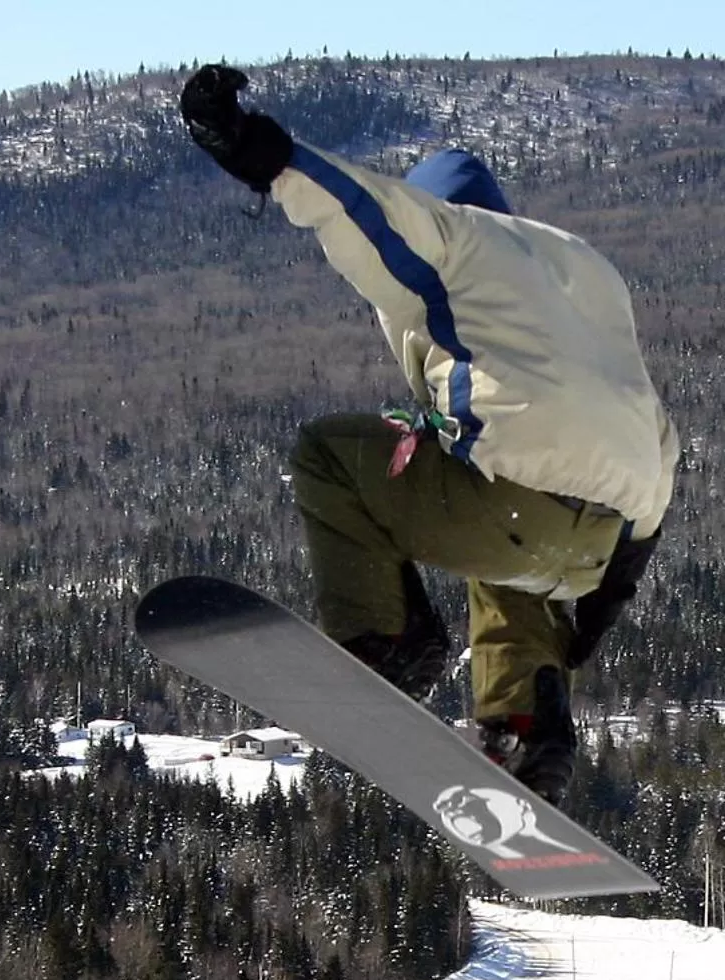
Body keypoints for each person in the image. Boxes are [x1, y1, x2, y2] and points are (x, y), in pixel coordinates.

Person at [179, 65, 678, 804]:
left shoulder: (454, 237)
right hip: (595, 544)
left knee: (328, 455)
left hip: (519, 513)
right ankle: (527, 727)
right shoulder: (586, 274)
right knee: (499, 501)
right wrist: (614, 588)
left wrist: (254, 149)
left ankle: (389, 645)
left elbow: (359, 207)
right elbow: (652, 439)